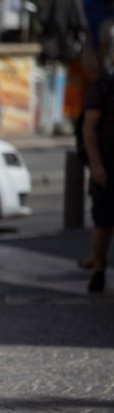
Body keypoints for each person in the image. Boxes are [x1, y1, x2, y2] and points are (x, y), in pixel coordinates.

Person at [80, 69, 114, 292]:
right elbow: (89, 126)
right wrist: (96, 164)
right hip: (108, 163)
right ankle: (99, 268)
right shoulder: (103, 85)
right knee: (103, 220)